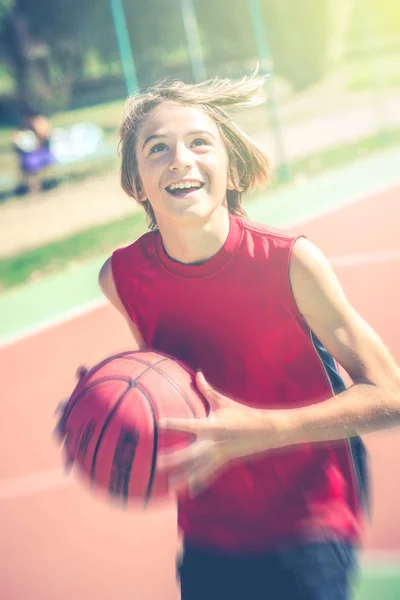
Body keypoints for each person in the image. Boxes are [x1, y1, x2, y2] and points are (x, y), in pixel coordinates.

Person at [96, 74, 400, 600]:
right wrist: (101, 404)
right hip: (208, 527)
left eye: (199, 142)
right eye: (157, 148)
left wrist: (265, 429)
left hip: (310, 516)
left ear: (231, 167)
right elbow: (162, 384)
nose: (180, 159)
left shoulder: (288, 261)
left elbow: (390, 394)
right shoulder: (122, 279)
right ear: (134, 182)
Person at [12, 100, 55, 194]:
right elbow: (16, 141)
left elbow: (44, 136)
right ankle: (29, 188)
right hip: (32, 154)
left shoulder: (39, 123)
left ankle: (33, 189)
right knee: (27, 167)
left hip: (39, 154)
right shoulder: (23, 128)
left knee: (30, 167)